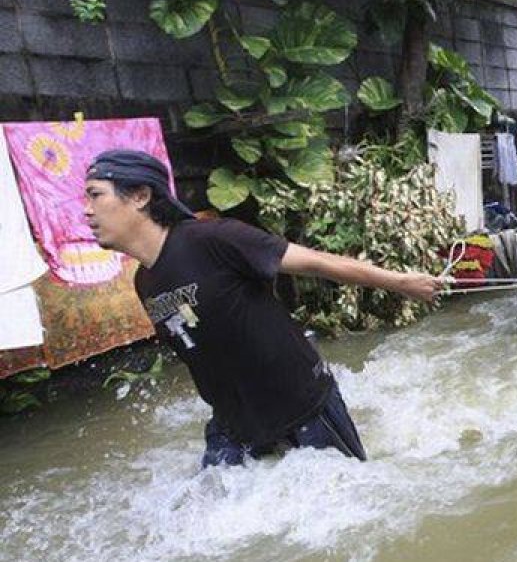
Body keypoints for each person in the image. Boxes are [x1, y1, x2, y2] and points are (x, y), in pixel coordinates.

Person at [83, 150, 443, 468]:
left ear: (141, 196)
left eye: (96, 195)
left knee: (352, 502)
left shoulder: (212, 239)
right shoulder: (144, 282)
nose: (87, 210)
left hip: (302, 406)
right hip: (236, 425)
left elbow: (316, 262)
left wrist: (401, 282)